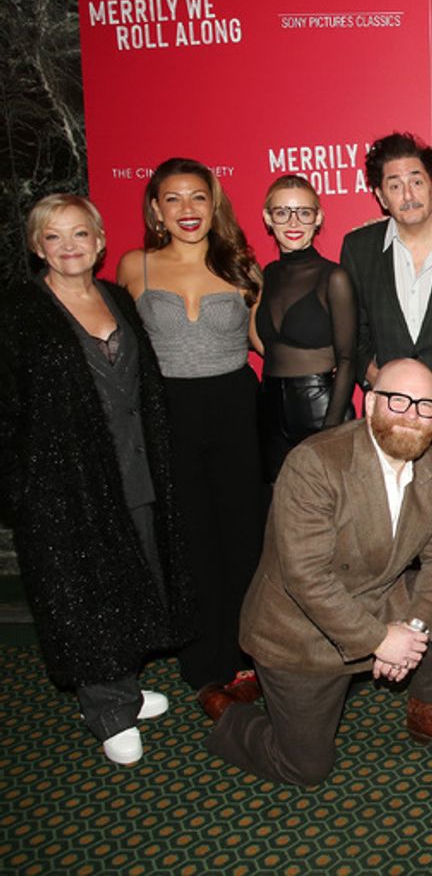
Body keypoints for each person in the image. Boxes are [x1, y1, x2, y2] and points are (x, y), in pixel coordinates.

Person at [200, 359, 432, 785]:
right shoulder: (315, 463)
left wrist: (412, 629)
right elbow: (306, 578)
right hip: (300, 629)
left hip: (377, 595)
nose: (412, 415)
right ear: (371, 403)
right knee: (304, 767)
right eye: (398, 401)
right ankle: (228, 709)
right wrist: (380, 641)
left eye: (426, 405)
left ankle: (428, 707)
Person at [0, 194, 190, 765]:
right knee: (86, 593)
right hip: (63, 486)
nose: (69, 246)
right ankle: (107, 709)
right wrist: (23, 487)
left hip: (131, 468)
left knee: (135, 576)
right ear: (38, 246)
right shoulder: (20, 311)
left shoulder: (116, 299)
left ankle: (124, 688)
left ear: (100, 241)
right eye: (54, 237)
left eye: (79, 234)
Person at [116, 158, 265, 695]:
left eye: (198, 197)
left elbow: (265, 345)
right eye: (173, 199)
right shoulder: (136, 267)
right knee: (190, 537)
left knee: (245, 536)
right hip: (170, 413)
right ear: (156, 208)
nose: (187, 209)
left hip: (236, 408)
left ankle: (251, 654)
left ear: (214, 203)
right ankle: (206, 665)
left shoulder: (244, 268)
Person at [339, 132, 432, 464]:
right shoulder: (359, 249)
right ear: (380, 196)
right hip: (386, 421)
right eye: (394, 186)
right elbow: (351, 332)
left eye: (416, 182)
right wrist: (382, 382)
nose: (408, 195)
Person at [256, 174, 357, 482]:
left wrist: (331, 429)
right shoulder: (268, 274)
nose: (293, 222)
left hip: (321, 406)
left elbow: (348, 359)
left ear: (318, 218)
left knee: (331, 512)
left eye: (304, 212)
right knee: (282, 515)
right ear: (268, 218)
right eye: (282, 212)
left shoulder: (333, 277)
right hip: (270, 409)